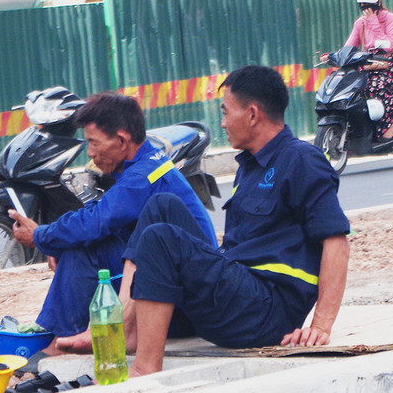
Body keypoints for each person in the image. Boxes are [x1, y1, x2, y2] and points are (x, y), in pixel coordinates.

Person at [115, 65, 352, 376]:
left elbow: (337, 241)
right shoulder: (250, 166)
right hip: (237, 293)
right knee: (161, 205)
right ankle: (126, 328)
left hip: (265, 310)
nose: (223, 123)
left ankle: (146, 366)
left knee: (161, 238)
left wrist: (321, 324)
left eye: (226, 112)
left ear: (252, 114)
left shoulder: (301, 161)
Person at [8, 92, 216, 346]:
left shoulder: (142, 178)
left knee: (85, 248)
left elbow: (97, 222)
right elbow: (104, 214)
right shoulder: (145, 163)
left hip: (185, 306)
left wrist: (40, 236)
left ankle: (58, 343)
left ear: (121, 140)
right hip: (172, 285)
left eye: (94, 143)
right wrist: (57, 240)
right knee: (79, 244)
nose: (91, 153)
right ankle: (58, 337)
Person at [330, 0, 393, 144]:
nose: (366, 11)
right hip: (366, 64)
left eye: (369, 6)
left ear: (378, 4)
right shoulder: (359, 23)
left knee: (376, 86)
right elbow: (350, 45)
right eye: (362, 7)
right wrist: (334, 56)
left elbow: (389, 44)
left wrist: (374, 23)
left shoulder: (389, 19)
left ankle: (388, 127)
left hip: (386, 64)